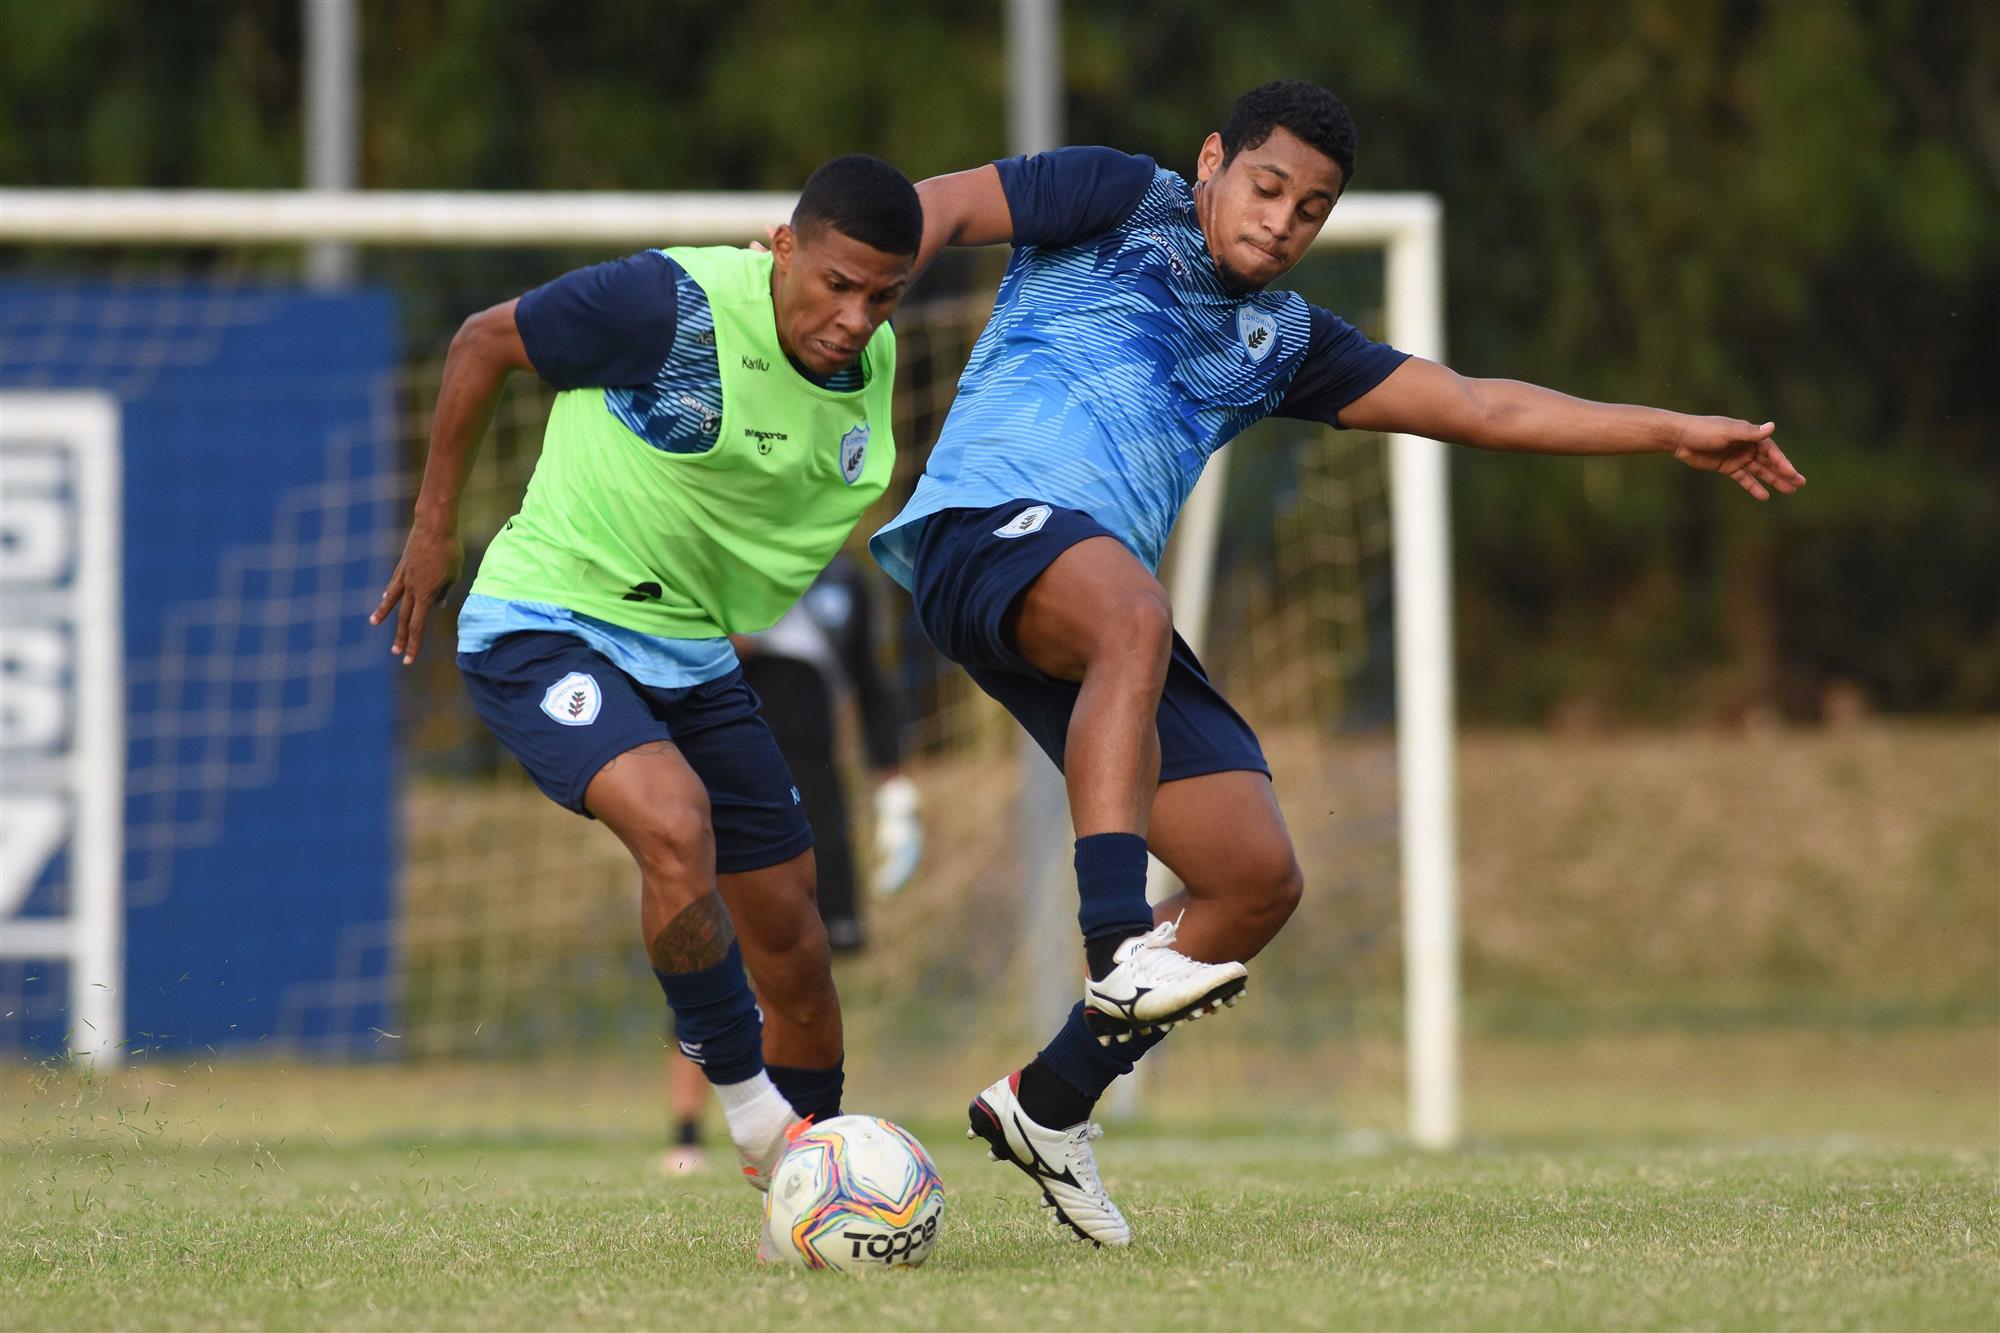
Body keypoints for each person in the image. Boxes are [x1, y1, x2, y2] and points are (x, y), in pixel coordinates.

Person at [871, 80, 1805, 1247]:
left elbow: (1479, 407)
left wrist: (1672, 430)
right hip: (985, 532)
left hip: (1101, 605)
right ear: (1212, 160)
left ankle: (1048, 1102)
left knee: (1253, 879)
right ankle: (1115, 941)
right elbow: (942, 209)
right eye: (1265, 187)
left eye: (1309, 209)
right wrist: (831, 262)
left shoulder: (1287, 342)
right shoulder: (1116, 195)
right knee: (1132, 614)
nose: (1280, 221)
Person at [370, 154, 924, 1196]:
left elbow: (791, 516)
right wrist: (434, 529)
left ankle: (814, 1194)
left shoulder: (872, 371)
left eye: (882, 296)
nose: (856, 316)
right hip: (544, 622)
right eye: (836, 284)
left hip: (692, 653)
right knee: (674, 824)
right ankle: (759, 1126)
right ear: (783, 247)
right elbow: (483, 339)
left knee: (795, 945)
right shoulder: (669, 306)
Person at [661, 552, 922, 1173]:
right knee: (710, 950)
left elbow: (869, 682)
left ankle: (805, 1128)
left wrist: (893, 788)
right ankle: (689, 1132)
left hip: (813, 785)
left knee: (800, 958)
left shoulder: (842, 579)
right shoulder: (708, 549)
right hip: (719, 772)